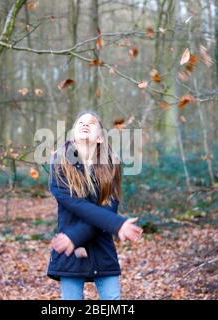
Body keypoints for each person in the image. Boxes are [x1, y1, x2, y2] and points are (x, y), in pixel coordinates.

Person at [46, 110, 143, 300]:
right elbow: (76, 205)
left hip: (101, 247)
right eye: (80, 122)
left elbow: (108, 208)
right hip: (70, 251)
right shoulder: (59, 164)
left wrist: (76, 236)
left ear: (100, 138)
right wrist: (116, 223)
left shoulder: (112, 165)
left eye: (91, 123)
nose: (85, 124)